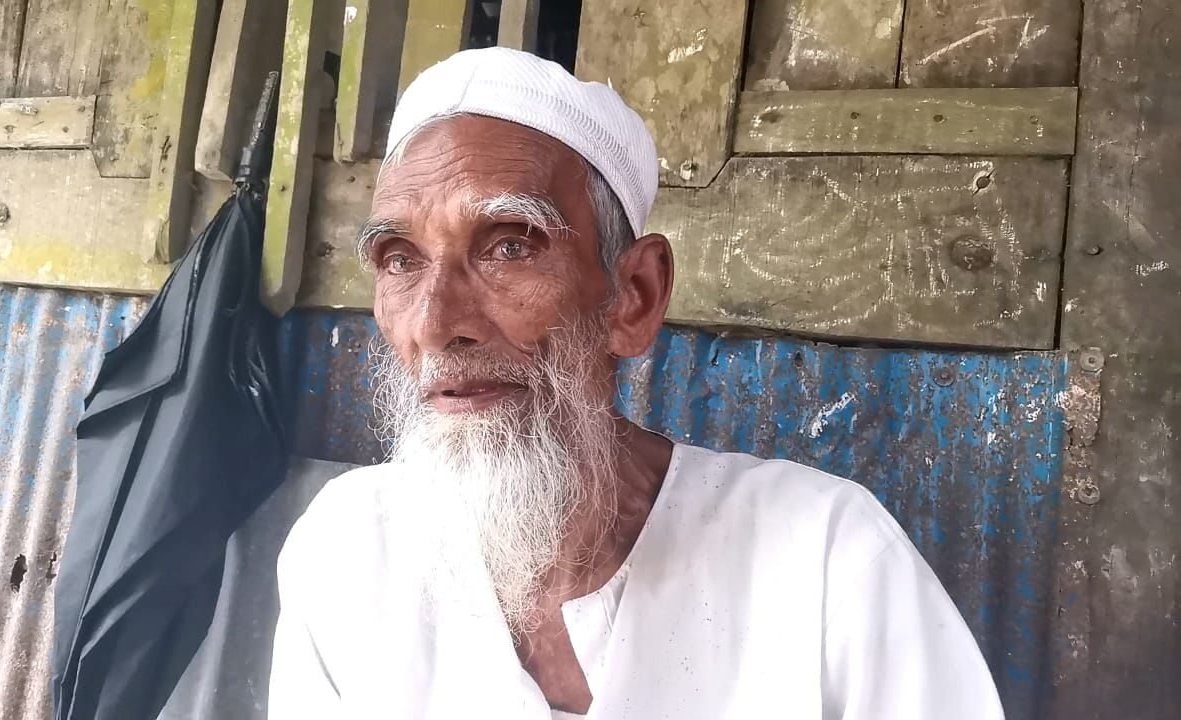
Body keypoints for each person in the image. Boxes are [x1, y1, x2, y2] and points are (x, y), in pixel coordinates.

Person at [269, 47, 1005, 719]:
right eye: (400, 260)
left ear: (634, 296)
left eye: (509, 247)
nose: (435, 324)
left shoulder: (828, 559)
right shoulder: (345, 552)